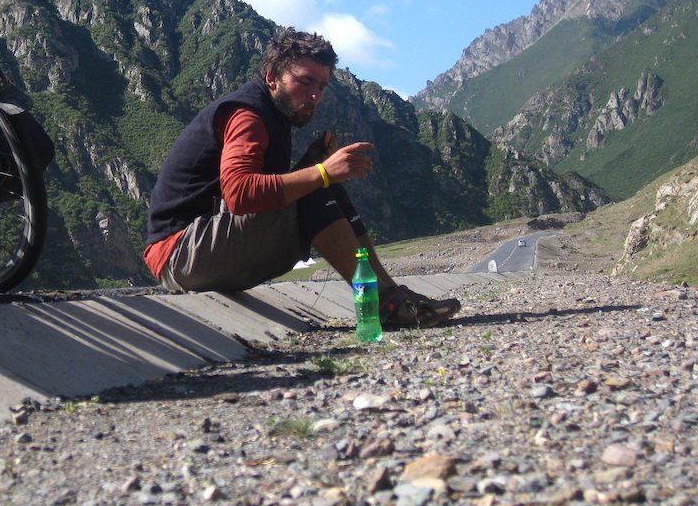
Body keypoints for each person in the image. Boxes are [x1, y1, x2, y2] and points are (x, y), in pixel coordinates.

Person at [143, 27, 461, 329]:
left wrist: (311, 165)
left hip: (201, 248)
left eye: (321, 87)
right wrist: (320, 172)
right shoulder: (248, 116)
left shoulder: (275, 114)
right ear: (271, 78)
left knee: (323, 185)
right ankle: (383, 303)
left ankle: (389, 294)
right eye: (305, 82)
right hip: (180, 254)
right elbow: (239, 193)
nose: (314, 96)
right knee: (316, 185)